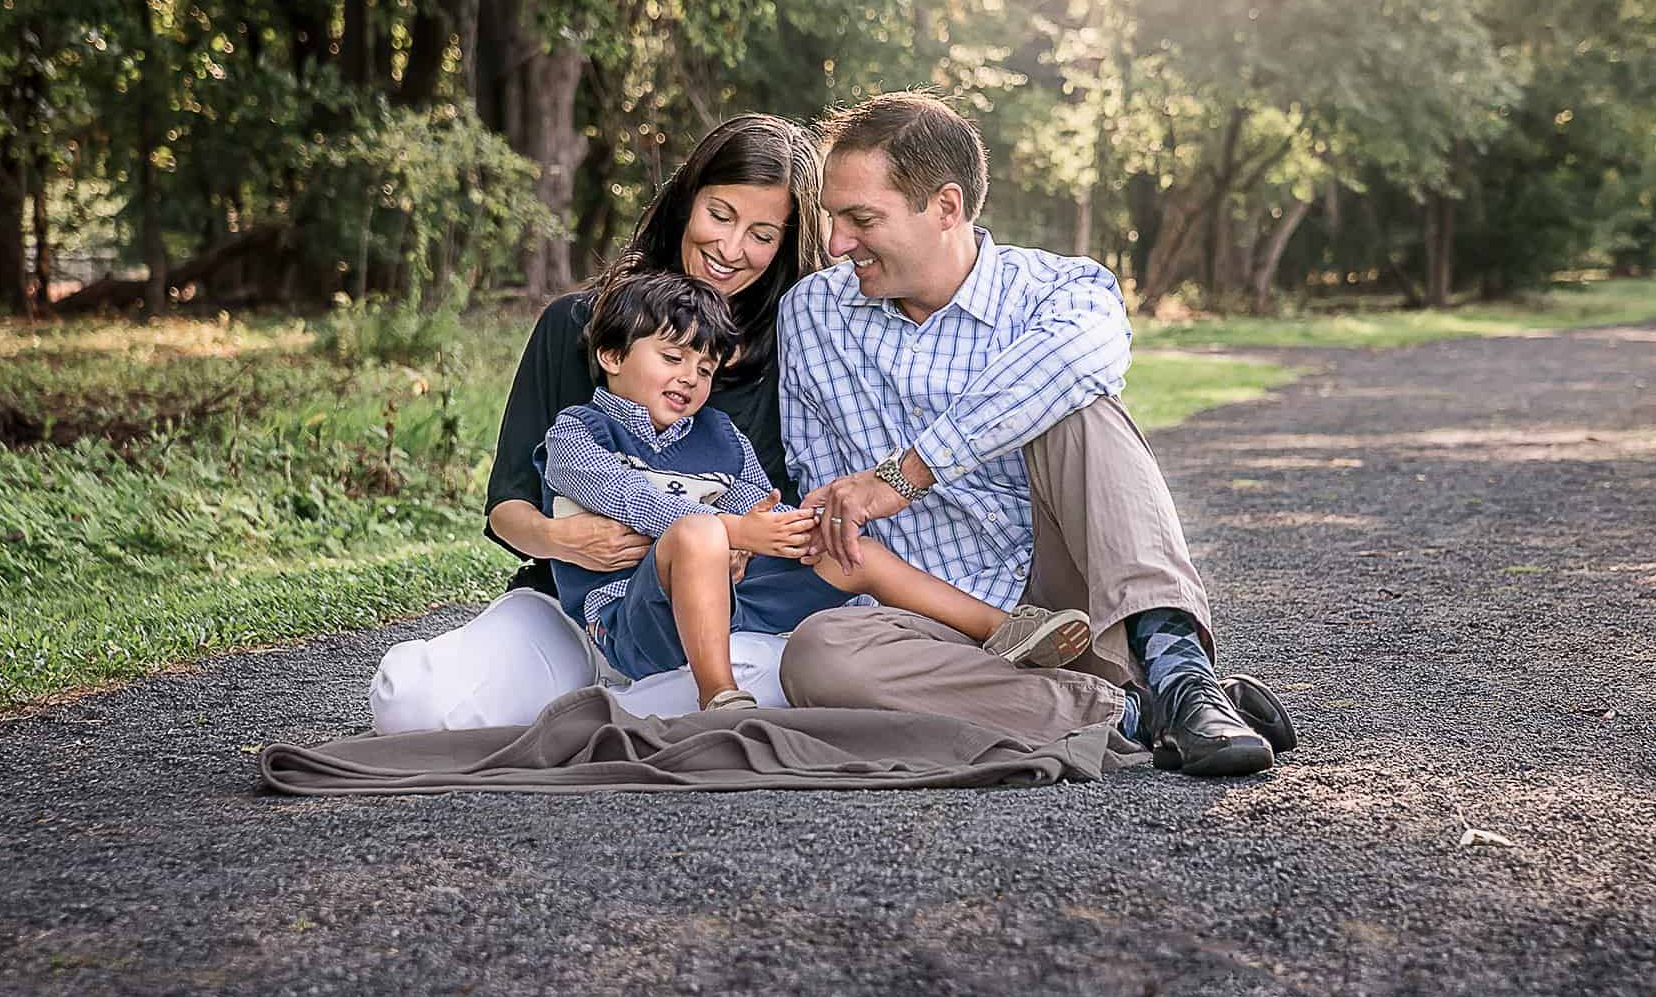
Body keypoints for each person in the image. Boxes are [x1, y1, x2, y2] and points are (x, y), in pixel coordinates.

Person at [774, 92, 1298, 776]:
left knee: (1083, 408)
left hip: (1079, 601)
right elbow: (839, 524)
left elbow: (1076, 363)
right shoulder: (811, 314)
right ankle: (1131, 714)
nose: (838, 244)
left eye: (861, 219)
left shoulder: (1061, 289)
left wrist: (907, 473)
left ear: (947, 207)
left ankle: (1180, 675)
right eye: (832, 218)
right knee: (819, 656)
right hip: (939, 623)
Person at [539, 266, 1096, 710]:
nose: (690, 377)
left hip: (730, 595)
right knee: (694, 533)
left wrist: (781, 531)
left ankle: (1004, 629)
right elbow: (621, 495)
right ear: (612, 357)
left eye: (706, 368)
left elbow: (755, 501)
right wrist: (731, 534)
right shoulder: (580, 430)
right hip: (631, 619)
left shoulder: (719, 434)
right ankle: (719, 694)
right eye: (672, 357)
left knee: (848, 551)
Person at [485, 114, 824, 598]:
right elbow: (507, 506)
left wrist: (740, 542)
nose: (730, 248)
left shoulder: (792, 356)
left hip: (717, 616)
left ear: (783, 246)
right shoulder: (575, 324)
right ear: (687, 202)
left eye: (762, 235)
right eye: (720, 215)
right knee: (437, 678)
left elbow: (777, 512)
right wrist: (559, 540)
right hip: (568, 599)